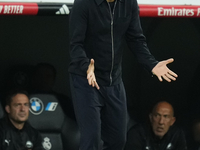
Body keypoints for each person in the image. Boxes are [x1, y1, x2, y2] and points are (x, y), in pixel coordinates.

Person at [69, 0, 178, 149]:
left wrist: (151, 64)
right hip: (87, 80)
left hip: (114, 81)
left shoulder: (129, 3)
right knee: (92, 139)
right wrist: (85, 66)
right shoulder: (84, 3)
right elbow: (76, 44)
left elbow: (136, 39)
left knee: (118, 140)